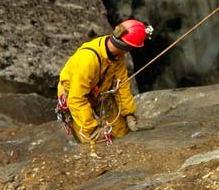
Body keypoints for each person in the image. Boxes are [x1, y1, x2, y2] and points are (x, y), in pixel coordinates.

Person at [56, 19, 153, 151]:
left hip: (100, 93)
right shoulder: (88, 60)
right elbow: (76, 98)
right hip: (76, 97)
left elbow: (122, 85)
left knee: (121, 133)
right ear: (127, 47)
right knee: (94, 142)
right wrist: (92, 128)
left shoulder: (117, 56)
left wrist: (129, 114)